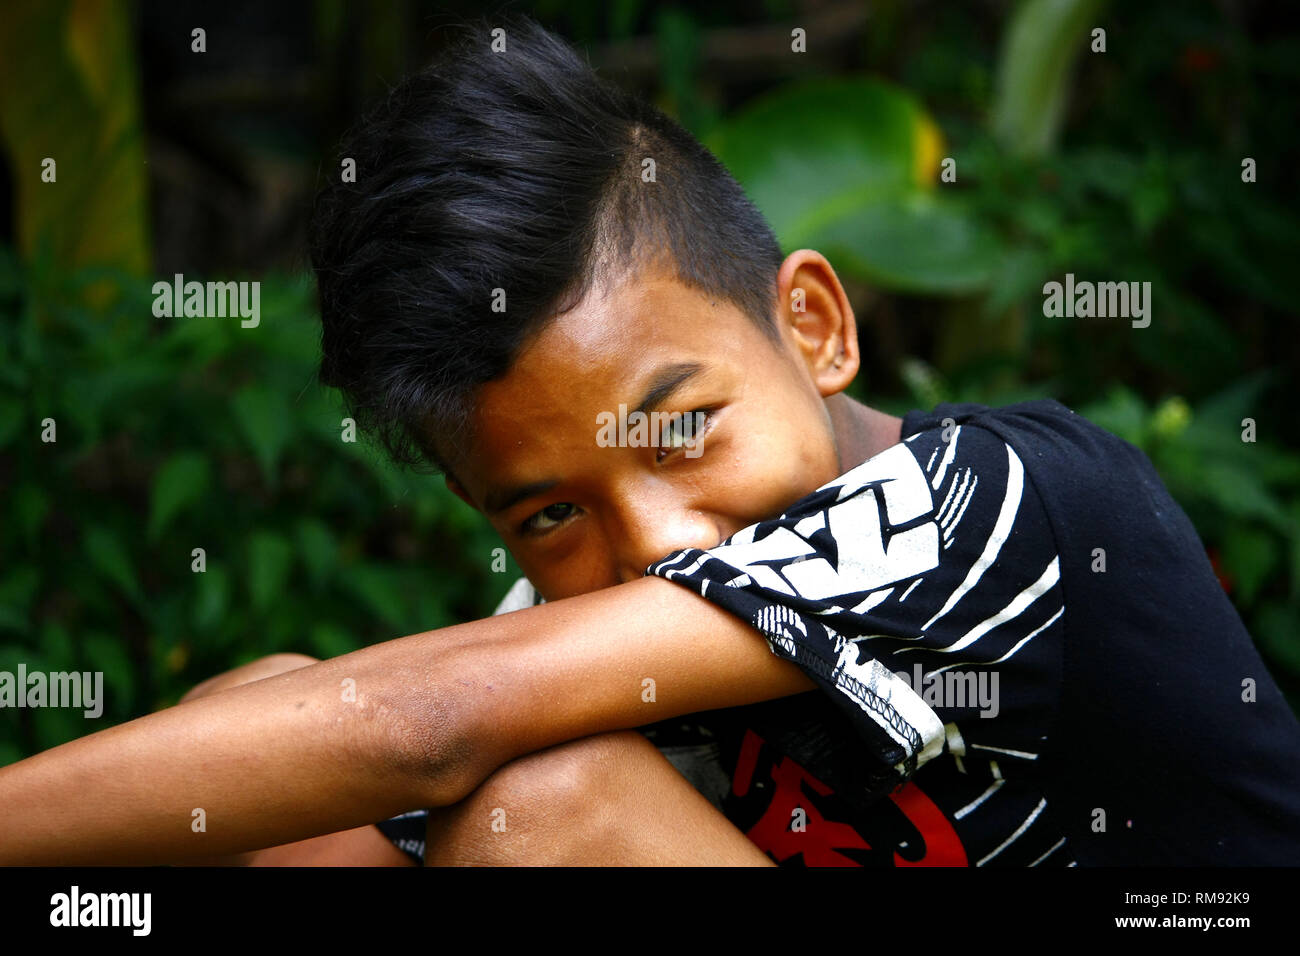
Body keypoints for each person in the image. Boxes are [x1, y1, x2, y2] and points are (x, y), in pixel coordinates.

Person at [2, 18, 1298, 867]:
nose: (658, 540)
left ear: (814, 323)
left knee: (549, 818)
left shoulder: (986, 508)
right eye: (548, 514)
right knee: (267, 747)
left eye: (681, 426)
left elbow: (424, 721)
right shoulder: (621, 622)